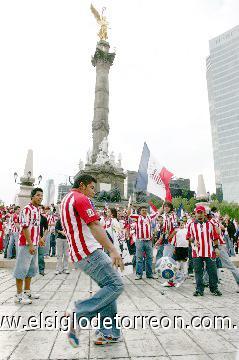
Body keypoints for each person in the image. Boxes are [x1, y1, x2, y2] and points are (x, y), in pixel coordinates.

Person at [60, 174, 124, 347]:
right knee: (117, 285)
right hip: (89, 252)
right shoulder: (81, 199)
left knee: (108, 287)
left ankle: (108, 332)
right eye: (92, 188)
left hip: (79, 254)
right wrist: (112, 250)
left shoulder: (66, 199)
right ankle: (79, 313)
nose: (94, 192)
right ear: (82, 185)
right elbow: (94, 225)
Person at [13, 188, 45, 304]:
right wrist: (31, 244)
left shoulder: (37, 210)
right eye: (38, 195)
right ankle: (18, 295)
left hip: (34, 244)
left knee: (31, 269)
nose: (40, 197)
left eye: (41, 195)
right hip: (26, 244)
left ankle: (27, 291)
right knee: (21, 269)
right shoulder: (27, 209)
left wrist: (39, 239)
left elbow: (35, 227)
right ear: (32, 197)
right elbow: (25, 228)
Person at [187, 205, 222, 297]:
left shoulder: (210, 224)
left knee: (213, 271)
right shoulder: (191, 225)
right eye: (198, 213)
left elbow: (215, 237)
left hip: (209, 251)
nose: (199, 215)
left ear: (204, 214)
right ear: (195, 214)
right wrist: (194, 240)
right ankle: (199, 289)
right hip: (196, 252)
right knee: (198, 271)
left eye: (201, 213)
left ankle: (214, 288)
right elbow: (188, 236)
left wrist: (216, 248)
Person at [128, 205, 160, 280]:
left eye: (145, 210)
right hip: (140, 240)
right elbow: (129, 214)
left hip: (149, 241)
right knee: (139, 258)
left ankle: (149, 274)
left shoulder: (150, 217)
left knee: (149, 258)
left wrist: (163, 204)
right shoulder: (137, 217)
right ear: (140, 212)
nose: (144, 211)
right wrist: (129, 206)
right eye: (143, 210)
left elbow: (158, 212)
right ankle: (139, 274)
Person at [39, 207, 48, 276]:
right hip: (32, 238)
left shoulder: (44, 218)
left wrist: (43, 237)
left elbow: (46, 229)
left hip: (41, 239)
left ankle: (41, 270)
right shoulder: (32, 217)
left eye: (40, 209)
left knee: (41, 255)